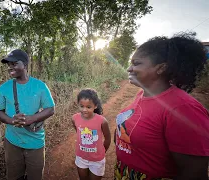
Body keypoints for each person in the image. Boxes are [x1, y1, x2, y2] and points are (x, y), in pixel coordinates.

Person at [115, 33, 209, 180]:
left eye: (136, 63)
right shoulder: (142, 94)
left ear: (161, 68)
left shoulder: (183, 109)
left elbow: (194, 173)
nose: (129, 69)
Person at [0, 49, 55, 180]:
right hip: (12, 142)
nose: (10, 67)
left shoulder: (40, 86)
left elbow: (50, 109)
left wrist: (32, 118)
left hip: (35, 142)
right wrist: (11, 121)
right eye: (9, 64)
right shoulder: (4, 88)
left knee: (35, 176)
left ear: (25, 65)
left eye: (15, 63)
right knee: (14, 176)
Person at [72, 88, 111, 180]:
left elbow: (108, 138)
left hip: (97, 160)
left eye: (88, 107)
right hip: (81, 157)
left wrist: (102, 151)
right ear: (78, 104)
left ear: (95, 106)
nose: (84, 110)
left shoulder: (102, 121)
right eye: (81, 106)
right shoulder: (74, 118)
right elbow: (78, 132)